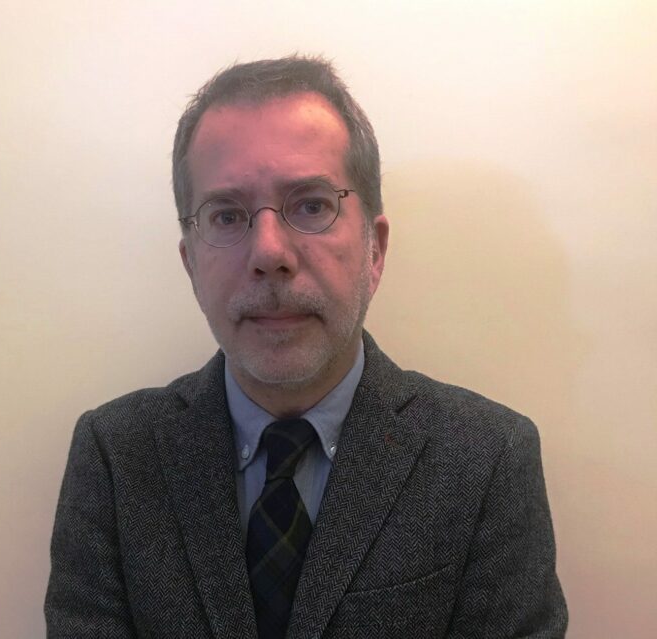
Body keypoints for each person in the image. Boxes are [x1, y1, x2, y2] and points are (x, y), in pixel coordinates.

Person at [45, 55, 567, 638]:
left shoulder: (486, 460)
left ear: (375, 249)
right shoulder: (115, 457)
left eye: (312, 205)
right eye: (227, 215)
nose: (270, 253)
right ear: (190, 264)